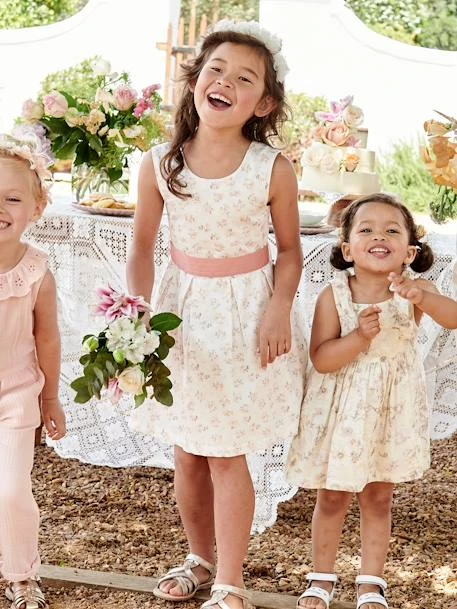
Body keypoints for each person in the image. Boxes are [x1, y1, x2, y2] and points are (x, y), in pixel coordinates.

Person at [127, 19, 307, 609]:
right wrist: (136, 316)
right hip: (180, 317)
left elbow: (290, 252)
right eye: (216, 69)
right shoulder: (160, 162)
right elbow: (141, 249)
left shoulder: (271, 168)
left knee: (226, 453)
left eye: (244, 78)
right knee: (186, 449)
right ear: (195, 79)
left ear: (265, 103)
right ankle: (199, 559)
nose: (225, 82)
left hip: (245, 317)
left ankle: (230, 582)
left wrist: (279, 308)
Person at [286, 193, 457, 609]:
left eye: (392, 230)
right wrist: (358, 338)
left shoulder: (416, 291)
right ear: (347, 249)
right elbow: (322, 359)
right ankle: (321, 578)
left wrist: (422, 297)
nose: (379, 236)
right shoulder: (334, 295)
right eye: (366, 229)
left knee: (379, 497)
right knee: (332, 496)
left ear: (409, 252)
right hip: (341, 410)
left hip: (390, 410)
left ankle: (370, 582)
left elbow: (452, 318)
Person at [0, 131, 66, 609]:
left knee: (11, 491)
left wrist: (50, 398)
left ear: (37, 208)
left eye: (12, 198)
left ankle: (21, 576)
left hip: (16, 396)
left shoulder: (37, 271)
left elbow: (47, 338)